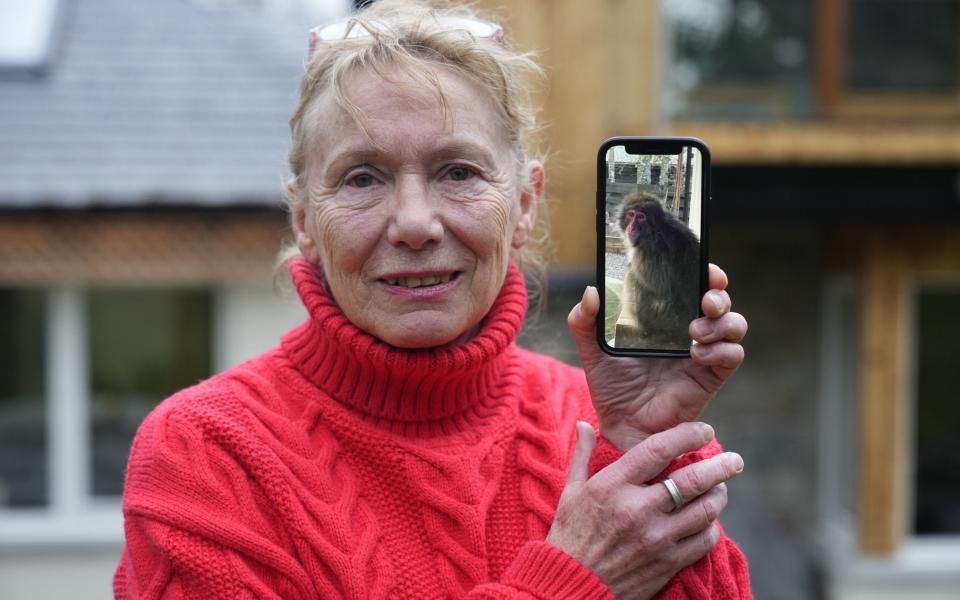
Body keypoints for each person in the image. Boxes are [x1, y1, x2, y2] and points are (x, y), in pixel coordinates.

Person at [114, 1, 751, 598]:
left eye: (458, 172)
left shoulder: (611, 422)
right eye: (363, 178)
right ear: (304, 218)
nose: (415, 224)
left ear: (525, 205)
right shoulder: (205, 454)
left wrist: (646, 443)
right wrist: (571, 580)